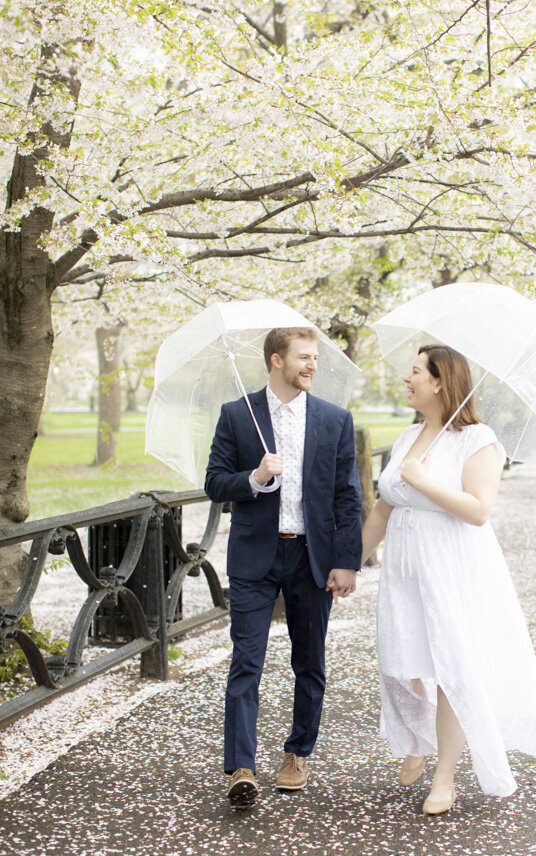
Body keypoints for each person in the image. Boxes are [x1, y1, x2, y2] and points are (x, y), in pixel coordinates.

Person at [361, 344, 536, 815]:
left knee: (450, 667)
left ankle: (445, 777)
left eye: (414, 372)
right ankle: (420, 737)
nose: (406, 379)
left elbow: (478, 509)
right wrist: (353, 562)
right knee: (405, 659)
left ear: (440, 381)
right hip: (404, 569)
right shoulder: (410, 436)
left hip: (451, 567)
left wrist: (425, 481)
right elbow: (385, 506)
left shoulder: (478, 439)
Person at [205, 326, 362, 808]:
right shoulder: (238, 415)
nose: (312, 365)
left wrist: (346, 562)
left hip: (311, 558)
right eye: (303, 357)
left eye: (315, 357)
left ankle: (297, 754)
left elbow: (347, 497)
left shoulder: (335, 420)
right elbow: (214, 482)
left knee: (309, 661)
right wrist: (255, 477)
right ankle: (241, 766)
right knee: (246, 661)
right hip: (255, 555)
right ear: (276, 361)